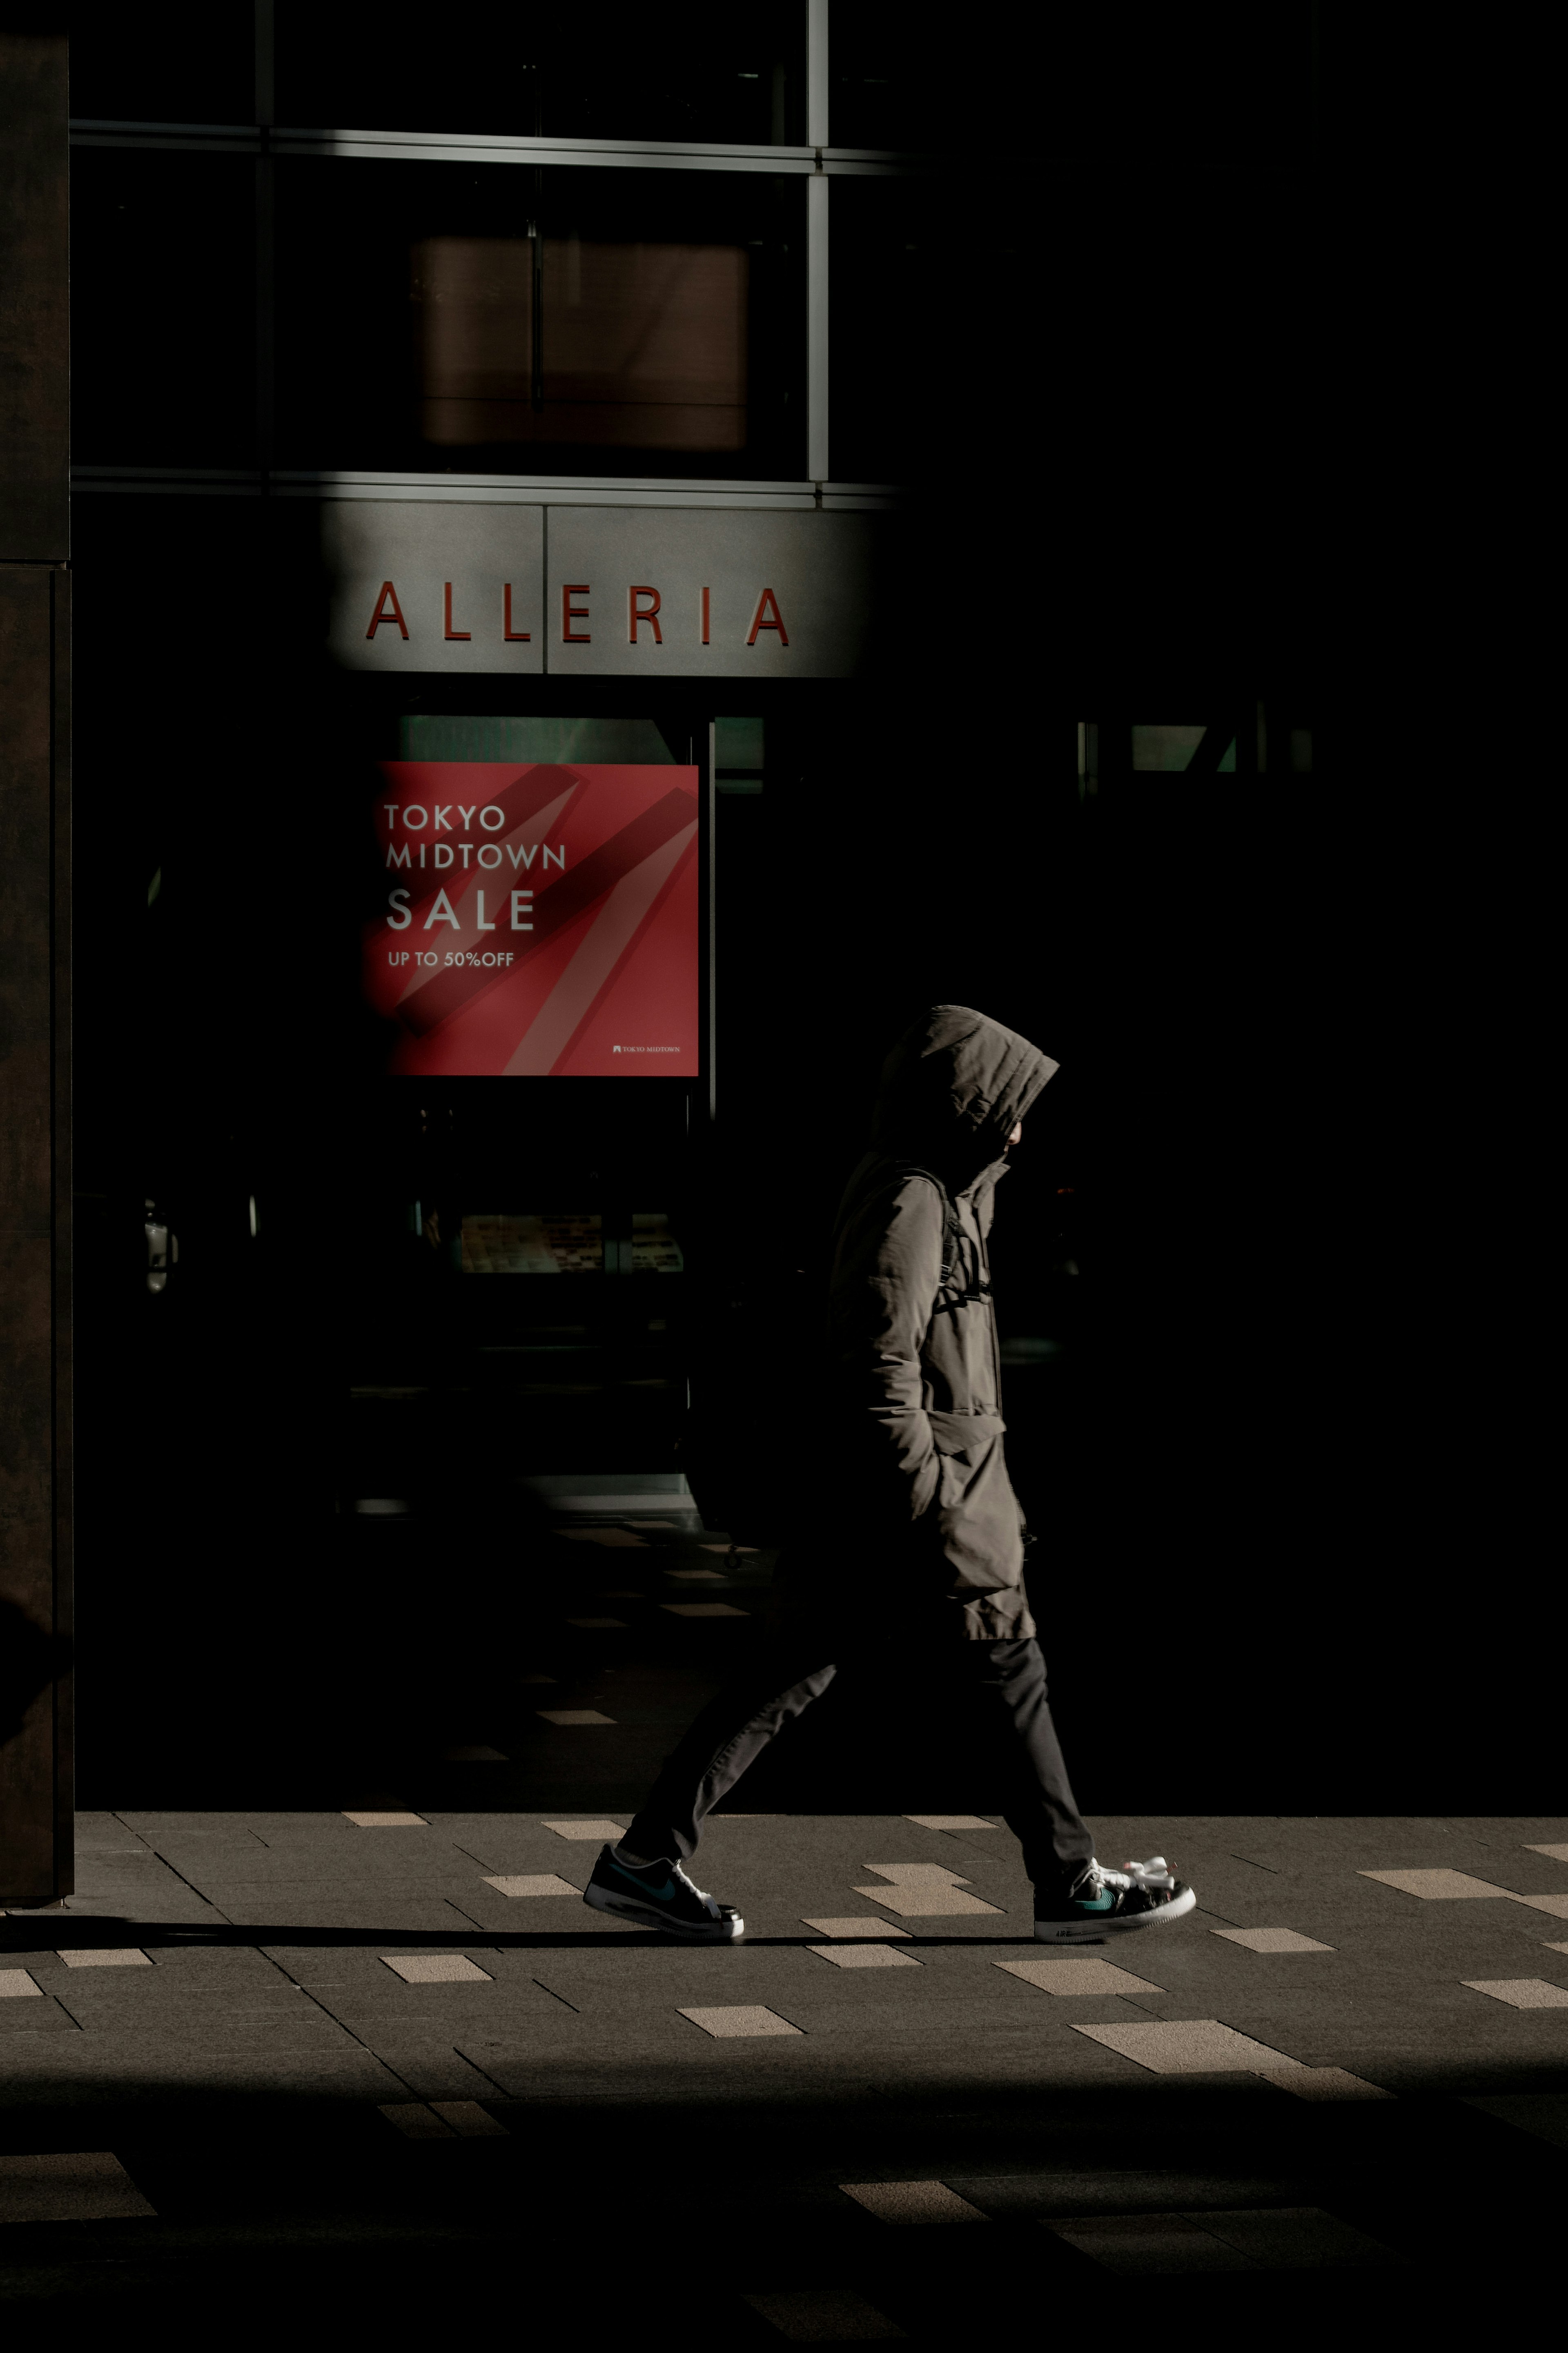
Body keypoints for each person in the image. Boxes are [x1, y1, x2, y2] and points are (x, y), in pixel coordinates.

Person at [584, 1005, 1196, 1945]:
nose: (1022, 1128)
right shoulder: (910, 1197)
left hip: (890, 1493)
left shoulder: (945, 1191)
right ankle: (1069, 1880)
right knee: (1006, 1661)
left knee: (791, 1669)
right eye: (1008, 1106)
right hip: (912, 1495)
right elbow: (878, 1360)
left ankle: (642, 1859)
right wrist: (934, 1496)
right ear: (966, 1106)